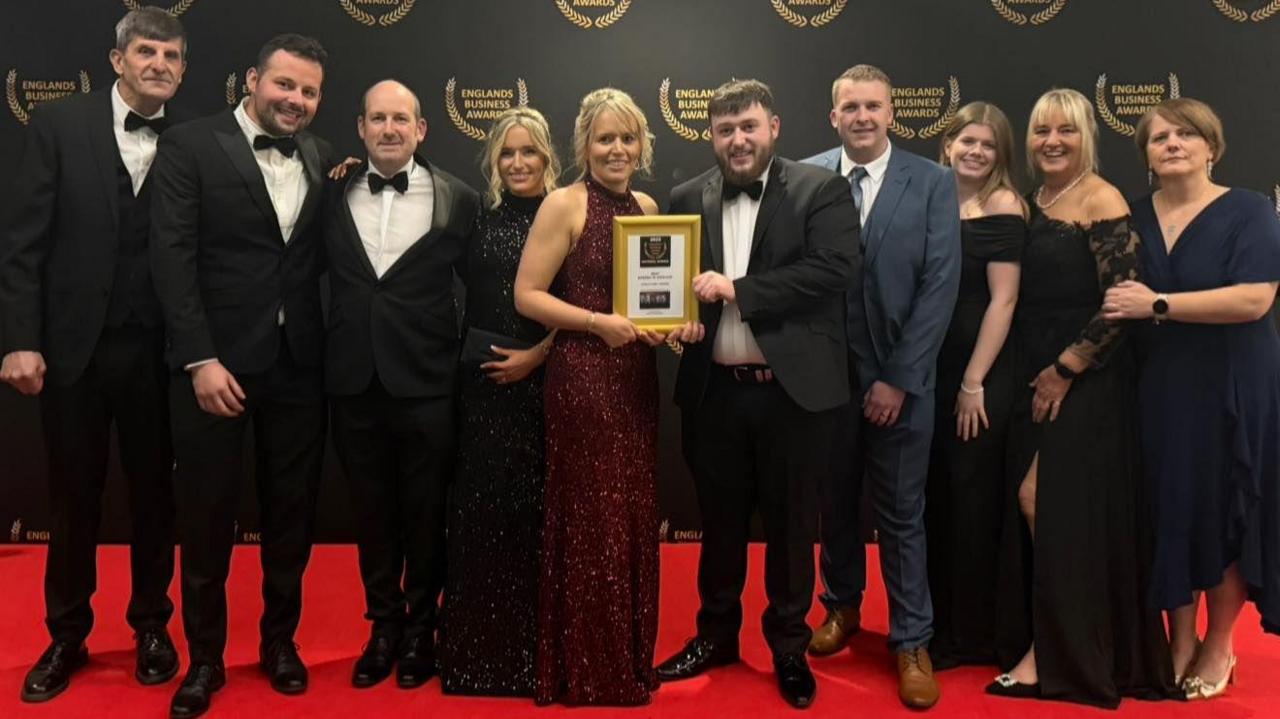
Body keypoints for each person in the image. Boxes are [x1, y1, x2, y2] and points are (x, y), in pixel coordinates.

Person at [0, 7, 187, 703]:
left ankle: (152, 626)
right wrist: (20, 337)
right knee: (72, 500)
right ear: (117, 60)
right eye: (146, 52)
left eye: (171, 56)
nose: (159, 65)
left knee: (155, 500)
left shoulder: (196, 142)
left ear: (183, 69)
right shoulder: (56, 126)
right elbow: (23, 243)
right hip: (72, 350)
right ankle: (66, 633)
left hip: (157, 353)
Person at [654, 79, 858, 710]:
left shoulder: (820, 189)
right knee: (717, 525)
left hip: (793, 396)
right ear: (709, 135)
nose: (737, 139)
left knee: (795, 527)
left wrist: (739, 288)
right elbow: (673, 283)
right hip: (715, 392)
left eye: (748, 126)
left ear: (774, 127)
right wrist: (679, 318)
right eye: (724, 130)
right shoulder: (687, 195)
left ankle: (789, 647)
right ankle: (715, 635)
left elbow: (834, 270)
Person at [149, 34, 334, 719]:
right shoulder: (191, 146)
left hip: (297, 368)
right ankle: (203, 659)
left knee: (291, 517)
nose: (295, 100)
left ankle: (279, 643)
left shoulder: (318, 156)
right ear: (252, 78)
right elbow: (171, 257)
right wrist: (199, 357)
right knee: (205, 519)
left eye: (309, 91)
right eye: (285, 85)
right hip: (213, 369)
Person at [985, 88, 1174, 707]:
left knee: (1044, 502)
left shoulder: (1102, 198)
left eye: (1065, 131)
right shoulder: (1033, 199)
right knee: (1042, 511)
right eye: (1041, 131)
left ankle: (1058, 655)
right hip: (1027, 374)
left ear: (1086, 134)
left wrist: (1066, 369)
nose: (1052, 142)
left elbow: (1122, 305)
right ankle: (1052, 639)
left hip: (1084, 379)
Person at [1102, 98, 1280, 701]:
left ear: (1211, 146)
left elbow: (1255, 299)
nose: (1173, 144)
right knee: (1170, 506)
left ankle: (1220, 640)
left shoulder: (1250, 209)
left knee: (1224, 506)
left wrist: (1158, 305)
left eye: (1186, 134)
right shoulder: (1130, 214)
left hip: (1231, 381)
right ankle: (1179, 635)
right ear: (1147, 156)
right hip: (1158, 383)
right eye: (1159, 138)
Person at [803, 64, 960, 709]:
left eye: (873, 106)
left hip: (904, 385)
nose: (862, 117)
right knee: (834, 506)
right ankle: (840, 608)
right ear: (832, 115)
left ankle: (912, 641)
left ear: (892, 112)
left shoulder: (933, 182)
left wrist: (898, 379)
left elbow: (940, 288)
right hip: (822, 387)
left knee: (901, 516)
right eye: (850, 107)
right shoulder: (806, 176)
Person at [513, 87, 669, 706]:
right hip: (582, 379)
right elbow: (528, 294)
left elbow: (652, 297)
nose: (617, 149)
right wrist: (595, 322)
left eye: (628, 137)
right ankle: (587, 668)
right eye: (605, 138)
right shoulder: (563, 203)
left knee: (628, 517)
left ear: (642, 144)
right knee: (591, 521)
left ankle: (627, 657)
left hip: (634, 381)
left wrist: (671, 323)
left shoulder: (650, 204)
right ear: (583, 145)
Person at [323, 79, 480, 691]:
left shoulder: (460, 199)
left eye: (401, 119)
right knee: (371, 511)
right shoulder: (329, 192)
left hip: (429, 383)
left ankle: (422, 630)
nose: (389, 129)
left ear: (421, 130)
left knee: (424, 512)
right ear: (360, 129)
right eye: (377, 119)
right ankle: (382, 626)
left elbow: (485, 285)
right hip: (353, 380)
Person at [437, 106, 560, 697]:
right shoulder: (475, 218)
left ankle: (533, 653)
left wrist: (538, 356)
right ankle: (474, 657)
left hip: (546, 386)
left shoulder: (567, 216)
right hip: (482, 390)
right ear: (494, 161)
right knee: (480, 515)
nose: (518, 163)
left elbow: (590, 295)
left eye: (529, 152)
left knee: (535, 514)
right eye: (507, 153)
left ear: (547, 158)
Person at [924, 102, 1025, 670]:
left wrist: (973, 381)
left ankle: (974, 635)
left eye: (988, 144)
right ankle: (936, 626)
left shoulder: (1004, 203)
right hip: (929, 372)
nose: (976, 152)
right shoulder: (931, 199)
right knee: (936, 500)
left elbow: (1004, 299)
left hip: (977, 377)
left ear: (1001, 154)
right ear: (948, 145)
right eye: (967, 141)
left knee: (973, 500)